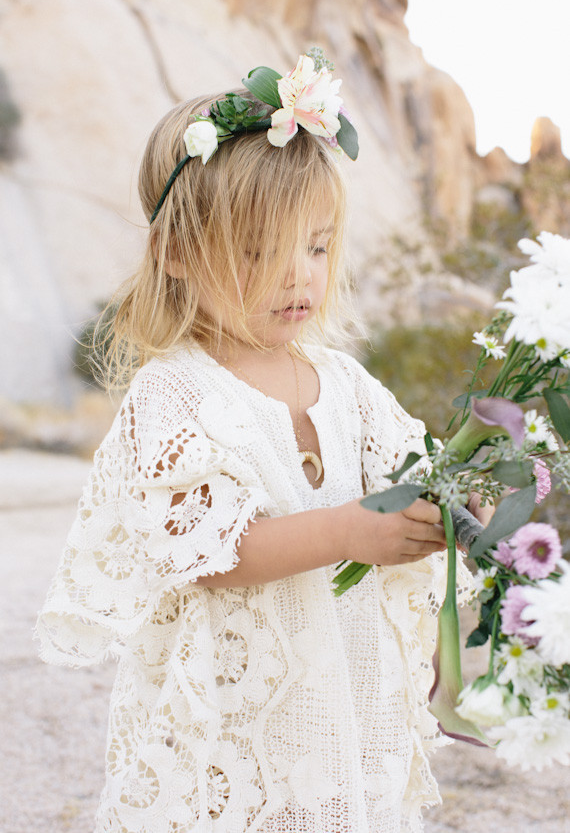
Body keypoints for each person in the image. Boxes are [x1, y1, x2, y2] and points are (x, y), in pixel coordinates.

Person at [36, 52, 478, 833]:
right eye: (259, 250)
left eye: (317, 246)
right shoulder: (175, 392)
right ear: (176, 251)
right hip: (233, 725)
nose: (297, 275)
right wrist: (348, 532)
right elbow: (208, 552)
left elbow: (409, 471)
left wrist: (449, 501)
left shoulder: (344, 382)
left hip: (342, 706)